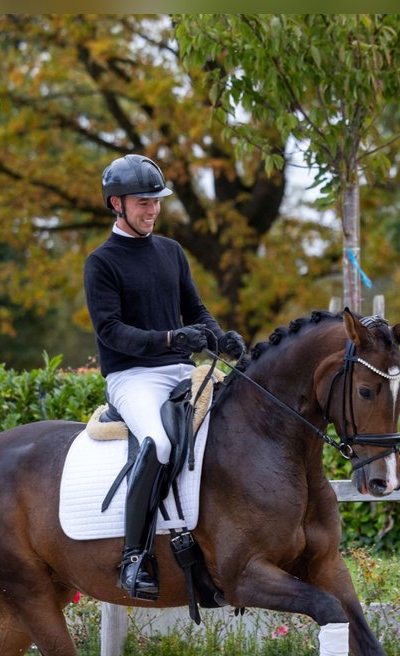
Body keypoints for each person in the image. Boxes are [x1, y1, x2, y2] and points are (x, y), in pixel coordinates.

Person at [84, 153, 246, 600]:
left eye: (155, 202)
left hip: (179, 369)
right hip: (132, 376)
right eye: (142, 202)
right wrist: (173, 338)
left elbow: (195, 310)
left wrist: (219, 339)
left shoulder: (171, 251)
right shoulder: (101, 263)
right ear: (116, 204)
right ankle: (134, 556)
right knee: (160, 443)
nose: (152, 209)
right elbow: (112, 332)